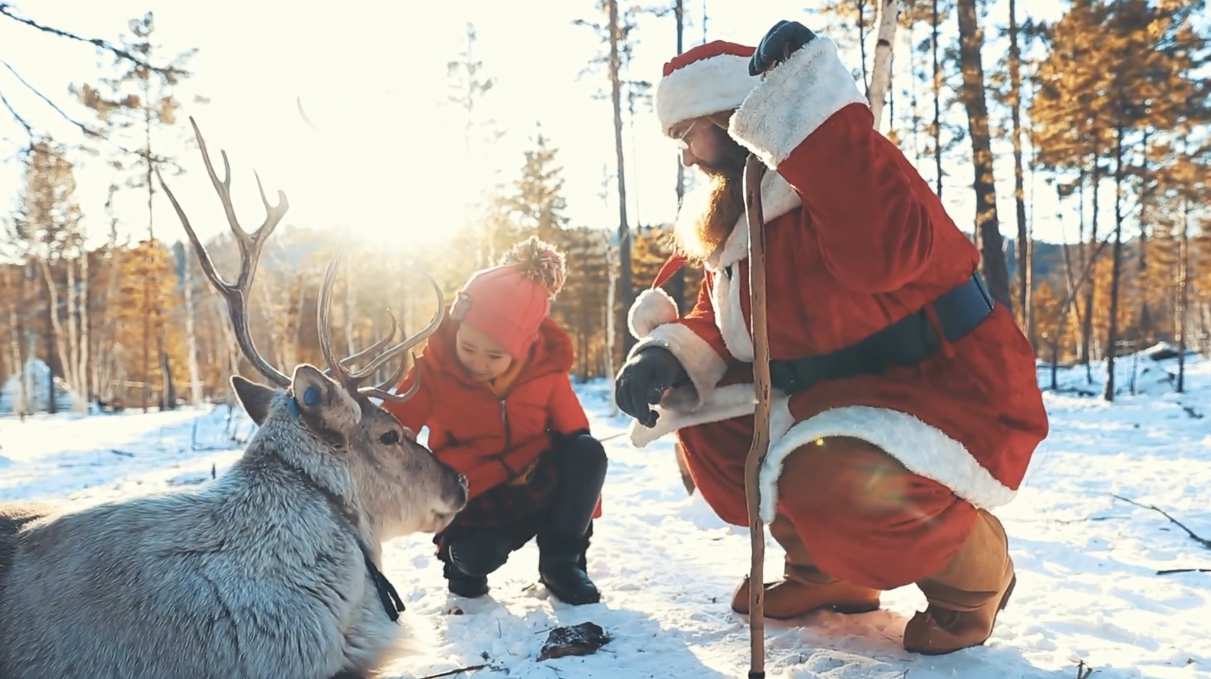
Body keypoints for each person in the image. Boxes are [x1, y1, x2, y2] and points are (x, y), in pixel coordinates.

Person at [615, 20, 1048, 654]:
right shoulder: (741, 220)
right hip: (830, 396)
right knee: (710, 421)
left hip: (940, 388)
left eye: (688, 135)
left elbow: (885, 255)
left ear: (728, 116)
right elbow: (726, 323)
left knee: (832, 475)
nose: (687, 157)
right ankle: (826, 570)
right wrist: (665, 356)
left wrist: (810, 107)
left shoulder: (850, 169)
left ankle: (973, 578)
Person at [386, 237, 606, 605]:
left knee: (587, 450)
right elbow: (393, 421)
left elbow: (578, 443)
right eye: (468, 347)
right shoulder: (434, 371)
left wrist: (578, 517)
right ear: (457, 328)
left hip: (533, 482)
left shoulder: (545, 372)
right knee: (474, 561)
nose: (478, 362)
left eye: (494, 356)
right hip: (471, 491)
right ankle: (461, 564)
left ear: (522, 349)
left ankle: (561, 563)